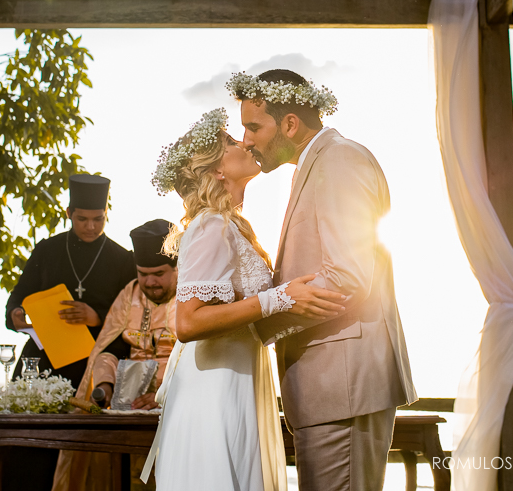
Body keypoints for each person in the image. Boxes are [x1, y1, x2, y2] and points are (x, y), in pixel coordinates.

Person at [230, 69, 419, 491]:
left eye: (253, 126)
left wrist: (257, 323)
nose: (245, 140)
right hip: (328, 389)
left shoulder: (339, 159)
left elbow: (347, 275)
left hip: (343, 386)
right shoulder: (316, 164)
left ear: (290, 124)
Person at [141, 108, 348, 491]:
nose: (245, 142)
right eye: (232, 142)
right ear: (217, 170)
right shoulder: (210, 225)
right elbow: (187, 323)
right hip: (213, 391)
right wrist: (279, 299)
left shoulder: (229, 226)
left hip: (236, 379)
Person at [0, 173, 136, 491]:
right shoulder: (47, 250)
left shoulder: (120, 258)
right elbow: (16, 299)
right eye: (82, 219)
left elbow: (132, 317)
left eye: (98, 219)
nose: (90, 226)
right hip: (42, 363)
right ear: (69, 213)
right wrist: (16, 314)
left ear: (106, 215)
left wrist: (97, 316)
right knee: (25, 452)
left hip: (90, 368)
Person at [53, 218, 180, 491]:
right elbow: (110, 348)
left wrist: (162, 389)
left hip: (176, 402)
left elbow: (196, 358)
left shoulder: (191, 295)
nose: (149, 282)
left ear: (177, 268)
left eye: (158, 273)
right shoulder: (130, 293)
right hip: (129, 406)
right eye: (143, 273)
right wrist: (104, 385)